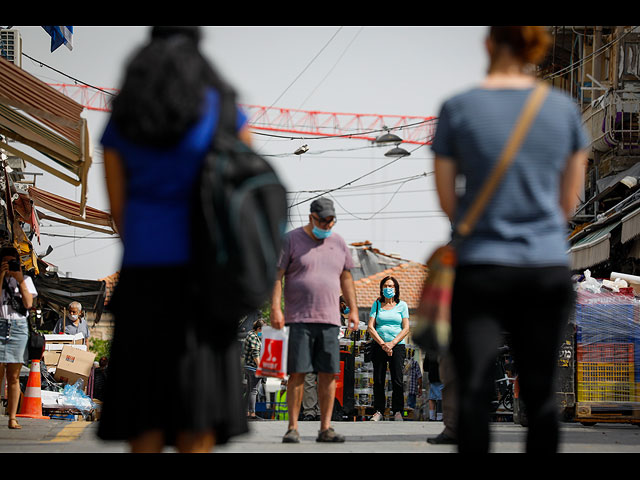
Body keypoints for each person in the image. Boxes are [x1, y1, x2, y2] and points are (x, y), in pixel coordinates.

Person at [431, 26, 589, 453]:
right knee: (539, 394)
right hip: (545, 266)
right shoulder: (563, 110)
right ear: (535, 47)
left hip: (481, 267)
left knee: (475, 391)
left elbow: (448, 201)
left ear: (488, 44)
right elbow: (568, 204)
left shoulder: (458, 108)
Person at [97, 26, 251, 453]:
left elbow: (119, 213)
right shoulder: (221, 108)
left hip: (144, 276)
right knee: (197, 414)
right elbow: (245, 195)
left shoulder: (124, 115)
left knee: (143, 411)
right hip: (205, 281)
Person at [271, 197, 358, 443]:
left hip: (330, 320)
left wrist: (352, 310)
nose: (327, 226)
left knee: (329, 373)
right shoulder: (290, 240)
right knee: (298, 372)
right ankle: (293, 427)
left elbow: (347, 278)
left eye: (331, 222)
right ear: (311, 218)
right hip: (299, 319)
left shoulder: (339, 242)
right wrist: (276, 308)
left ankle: (325, 427)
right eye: (323, 221)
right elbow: (277, 276)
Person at [0, 246, 36, 430]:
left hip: (18, 327)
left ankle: (12, 418)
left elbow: (28, 303)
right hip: (0, 324)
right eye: (5, 262)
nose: (9, 265)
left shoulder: (26, 280)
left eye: (12, 262)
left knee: (13, 376)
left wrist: (20, 279)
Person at [367, 276, 410, 422]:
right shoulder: (377, 304)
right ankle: (378, 411)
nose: (388, 288)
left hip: (397, 346)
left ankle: (397, 411)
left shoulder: (402, 305)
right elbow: (371, 327)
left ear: (396, 288)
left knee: (397, 379)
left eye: (391, 286)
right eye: (385, 285)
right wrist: (383, 344)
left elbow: (406, 328)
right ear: (381, 288)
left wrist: (392, 343)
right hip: (379, 346)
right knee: (378, 380)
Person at [243, 319, 264, 420]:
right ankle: (252, 413)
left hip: (247, 366)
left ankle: (246, 412)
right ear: (259, 328)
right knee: (254, 391)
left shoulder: (250, 334)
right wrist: (261, 368)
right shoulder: (254, 337)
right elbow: (255, 355)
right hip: (253, 367)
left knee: (249, 390)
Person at [424, 353, 443, 421]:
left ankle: (431, 417)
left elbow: (425, 367)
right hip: (442, 376)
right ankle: (439, 416)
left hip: (432, 376)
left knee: (432, 397)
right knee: (441, 397)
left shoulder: (429, 350)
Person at [405, 352, 422, 419]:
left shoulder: (403, 362)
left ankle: (405, 417)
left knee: (405, 407)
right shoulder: (415, 363)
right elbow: (419, 377)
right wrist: (420, 387)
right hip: (412, 390)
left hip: (403, 391)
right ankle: (409, 419)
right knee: (411, 407)